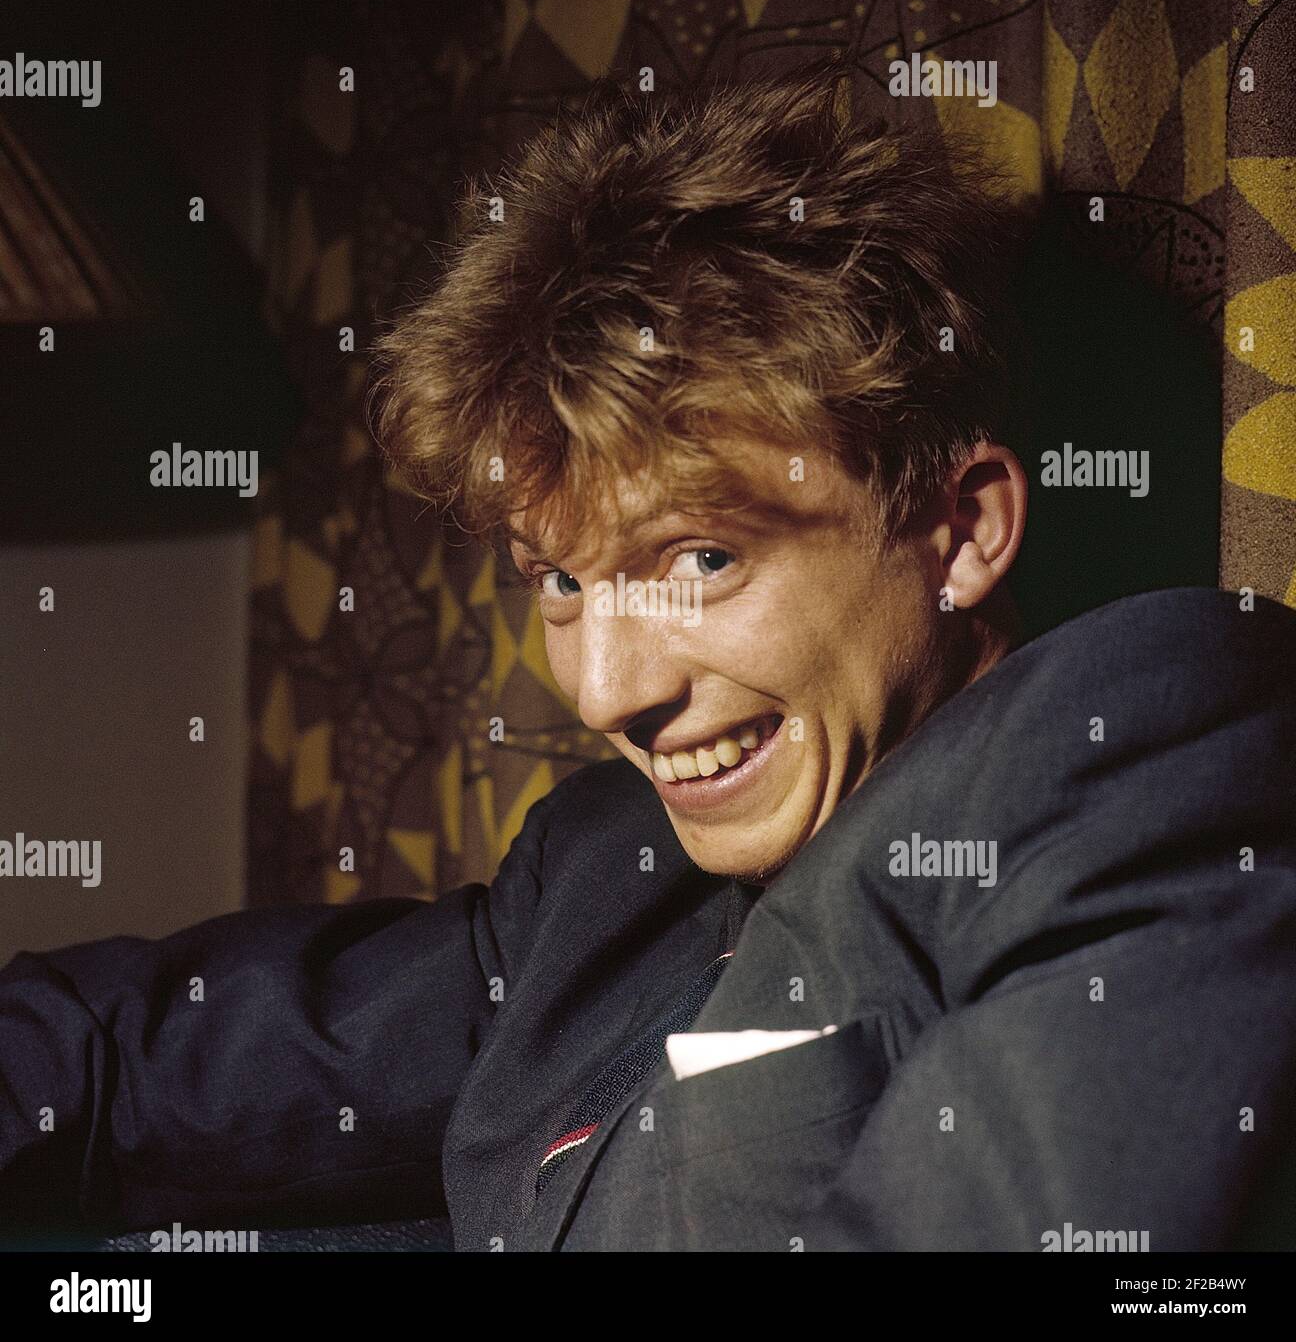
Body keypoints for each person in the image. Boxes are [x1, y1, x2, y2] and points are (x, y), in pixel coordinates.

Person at [3, 65, 1294, 1253]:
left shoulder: (1138, 755)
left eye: (700, 558)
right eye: (561, 581)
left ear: (960, 529)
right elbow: (162, 1050)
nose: (609, 689)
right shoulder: (605, 868)